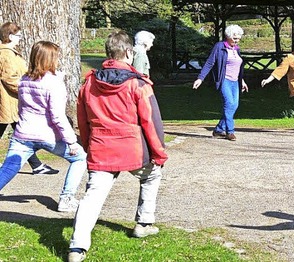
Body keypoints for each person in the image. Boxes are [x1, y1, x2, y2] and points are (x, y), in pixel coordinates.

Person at [68, 30, 168, 262]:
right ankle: (144, 222)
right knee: (152, 175)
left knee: (92, 196)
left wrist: (87, 145)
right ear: (128, 52)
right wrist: (159, 152)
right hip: (132, 148)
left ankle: (77, 247)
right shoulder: (138, 84)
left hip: (101, 147)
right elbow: (151, 122)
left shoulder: (89, 82)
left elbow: (83, 121)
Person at [0, 41, 87, 212]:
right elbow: (57, 116)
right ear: (51, 59)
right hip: (46, 136)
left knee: (8, 168)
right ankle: (66, 198)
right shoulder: (54, 84)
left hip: (23, 134)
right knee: (80, 158)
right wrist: (71, 141)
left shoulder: (24, 80)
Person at [0, 22, 59, 175]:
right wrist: (24, 89)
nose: (20, 39)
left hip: (12, 102)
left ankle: (37, 166)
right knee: (20, 135)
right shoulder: (7, 54)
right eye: (18, 35)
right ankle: (37, 166)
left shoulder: (10, 52)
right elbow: (9, 78)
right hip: (9, 101)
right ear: (11, 36)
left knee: (21, 135)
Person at [192, 24, 249, 141]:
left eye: (239, 38)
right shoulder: (219, 47)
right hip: (224, 80)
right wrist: (200, 78)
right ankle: (230, 131)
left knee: (234, 105)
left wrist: (242, 81)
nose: (237, 40)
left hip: (235, 81)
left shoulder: (237, 49)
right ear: (228, 36)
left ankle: (218, 129)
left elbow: (237, 67)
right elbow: (209, 63)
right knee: (229, 104)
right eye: (235, 38)